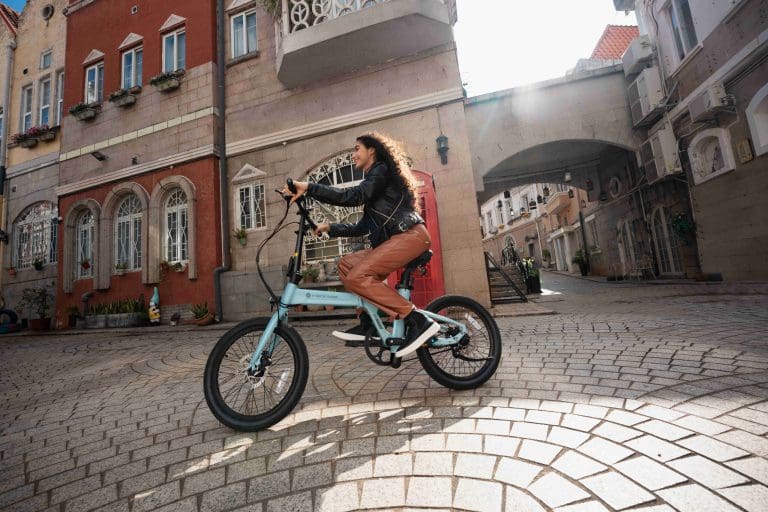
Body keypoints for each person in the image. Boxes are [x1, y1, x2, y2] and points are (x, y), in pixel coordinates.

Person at [282, 133, 439, 358]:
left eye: (357, 149)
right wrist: (330, 227)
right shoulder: (375, 185)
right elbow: (364, 226)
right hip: (397, 240)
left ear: (371, 151)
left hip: (410, 236)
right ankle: (371, 322)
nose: (354, 154)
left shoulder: (381, 170)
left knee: (358, 277)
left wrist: (309, 187)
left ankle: (417, 320)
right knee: (346, 264)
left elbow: (353, 196)